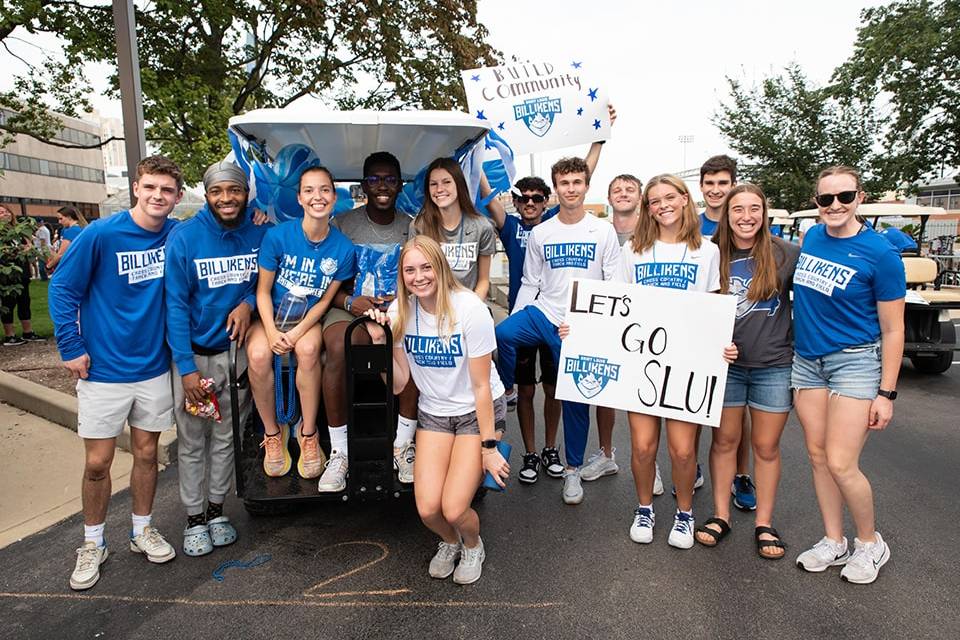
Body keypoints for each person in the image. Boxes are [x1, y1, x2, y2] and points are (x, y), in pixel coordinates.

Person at [49, 155, 184, 591]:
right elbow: (62, 288)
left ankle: (141, 529)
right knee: (97, 462)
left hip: (152, 367)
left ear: (177, 197)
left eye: (166, 190)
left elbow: (222, 235)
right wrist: (71, 347)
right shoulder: (101, 234)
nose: (158, 196)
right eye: (151, 188)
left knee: (147, 454)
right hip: (103, 368)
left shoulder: (177, 234)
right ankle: (92, 542)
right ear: (137, 189)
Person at [365, 236, 509, 585]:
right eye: (410, 270)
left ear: (440, 268)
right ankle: (449, 541)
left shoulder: (469, 309)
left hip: (477, 411)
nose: (419, 277)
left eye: (426, 267)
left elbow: (480, 387)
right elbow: (399, 384)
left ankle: (472, 544)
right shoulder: (401, 311)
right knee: (428, 509)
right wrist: (381, 343)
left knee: (455, 508)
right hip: (434, 413)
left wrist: (489, 449)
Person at [483, 113, 614, 484]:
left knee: (572, 397)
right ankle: (504, 388)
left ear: (583, 187)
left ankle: (572, 467)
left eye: (576, 182)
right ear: (558, 187)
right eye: (564, 183)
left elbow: (614, 284)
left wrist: (599, 137)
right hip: (544, 311)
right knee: (504, 335)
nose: (570, 188)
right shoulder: (541, 232)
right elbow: (530, 280)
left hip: (580, 322)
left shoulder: (601, 231)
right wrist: (518, 317)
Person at [792, 166, 905, 585]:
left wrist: (886, 393)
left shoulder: (880, 253)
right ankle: (833, 539)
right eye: (826, 199)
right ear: (817, 203)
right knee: (818, 457)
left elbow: (894, 329)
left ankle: (870, 543)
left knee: (842, 462)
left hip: (855, 363)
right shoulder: (812, 238)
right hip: (807, 362)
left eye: (844, 196)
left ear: (859, 197)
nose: (835, 206)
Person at [613, 174, 733, 549]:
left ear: (685, 199)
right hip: (641, 359)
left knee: (682, 450)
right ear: (647, 208)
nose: (662, 205)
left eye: (670, 197)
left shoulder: (708, 250)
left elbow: (716, 307)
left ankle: (684, 514)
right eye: (654, 200)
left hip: (688, 363)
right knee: (644, 446)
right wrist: (581, 330)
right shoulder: (633, 250)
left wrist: (723, 345)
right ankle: (645, 507)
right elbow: (614, 304)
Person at [164, 161, 269, 556]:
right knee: (193, 440)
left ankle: (216, 509)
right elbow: (174, 305)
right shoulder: (185, 237)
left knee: (227, 437)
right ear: (206, 195)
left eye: (234, 190)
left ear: (246, 193)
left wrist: (246, 304)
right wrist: (186, 368)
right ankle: (193, 517)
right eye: (217, 192)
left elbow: (268, 282)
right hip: (194, 356)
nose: (227, 198)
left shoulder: (260, 232)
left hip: (236, 354)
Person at [694, 184, 800, 558]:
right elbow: (688, 308)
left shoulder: (787, 254)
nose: (746, 217)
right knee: (724, 442)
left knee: (766, 447)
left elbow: (815, 303)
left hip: (774, 365)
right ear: (726, 213)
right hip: (726, 367)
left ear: (764, 212)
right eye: (738, 209)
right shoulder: (709, 253)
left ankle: (764, 523)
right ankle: (721, 514)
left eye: (754, 209)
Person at [246, 166, 355, 487]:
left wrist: (294, 334)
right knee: (257, 356)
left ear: (334, 198)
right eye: (309, 190)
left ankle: (308, 433)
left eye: (324, 190)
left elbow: (323, 302)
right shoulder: (277, 236)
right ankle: (272, 433)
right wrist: (271, 332)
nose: (317, 197)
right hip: (270, 317)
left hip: (306, 319)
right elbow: (263, 292)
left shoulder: (343, 248)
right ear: (299, 198)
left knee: (307, 349)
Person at [324, 151, 417, 490]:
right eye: (374, 179)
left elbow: (422, 276)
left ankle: (403, 443)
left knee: (412, 344)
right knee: (337, 346)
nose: (382, 186)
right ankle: (339, 452)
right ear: (363, 185)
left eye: (390, 179)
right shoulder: (342, 224)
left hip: (399, 307)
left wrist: (397, 303)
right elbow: (325, 287)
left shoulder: (412, 225)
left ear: (400, 185)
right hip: (350, 304)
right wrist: (352, 302)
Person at [696, 155, 756, 511]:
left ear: (733, 184)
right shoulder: (693, 225)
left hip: (743, 329)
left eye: (723, 183)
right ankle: (695, 464)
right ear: (701, 188)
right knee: (698, 404)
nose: (716, 190)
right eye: (710, 183)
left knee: (738, 414)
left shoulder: (748, 223)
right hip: (701, 329)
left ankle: (741, 473)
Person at [410, 157, 496, 299]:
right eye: (433, 184)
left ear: (459, 184)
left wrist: (472, 309)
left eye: (447, 182)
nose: (439, 189)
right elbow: (415, 277)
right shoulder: (419, 226)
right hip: (431, 307)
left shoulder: (482, 226)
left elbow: (483, 281)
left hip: (469, 309)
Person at [0, 204, 43, 345]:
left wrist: (28, 247)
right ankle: (9, 335)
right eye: (1, 212)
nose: (5, 214)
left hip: (22, 271)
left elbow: (29, 245)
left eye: (6, 211)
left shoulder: (18, 232)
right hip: (7, 273)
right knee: (8, 303)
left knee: (24, 301)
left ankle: (27, 332)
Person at [46, 206, 87, 272]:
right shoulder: (75, 229)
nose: (59, 222)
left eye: (61, 218)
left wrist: (48, 266)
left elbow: (61, 254)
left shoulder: (72, 230)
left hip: (71, 266)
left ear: (69, 217)